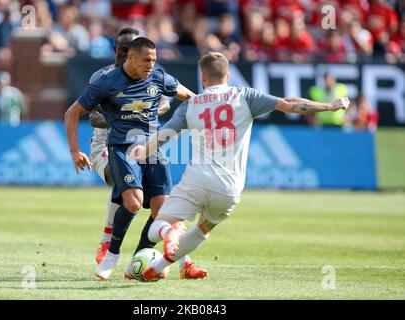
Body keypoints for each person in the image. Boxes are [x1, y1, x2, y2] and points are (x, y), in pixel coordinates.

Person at [129, 52, 350, 281]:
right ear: (228, 75)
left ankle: (169, 232)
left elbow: (165, 134)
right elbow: (290, 105)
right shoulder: (244, 95)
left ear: (203, 77)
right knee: (204, 228)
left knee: (158, 225)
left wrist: (142, 151)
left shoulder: (192, 103)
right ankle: (158, 267)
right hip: (230, 187)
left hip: (197, 179)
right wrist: (329, 106)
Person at [65, 37, 208, 280]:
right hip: (123, 149)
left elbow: (189, 95)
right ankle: (111, 254)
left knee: (161, 210)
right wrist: (74, 150)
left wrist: (208, 107)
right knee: (133, 202)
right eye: (146, 60)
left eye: (153, 60)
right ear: (130, 58)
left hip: (154, 149)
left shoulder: (158, 77)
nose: (150, 65)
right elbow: (72, 113)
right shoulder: (107, 82)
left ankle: (140, 260)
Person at [87, 28, 170, 265]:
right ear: (115, 50)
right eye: (123, 50)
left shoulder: (151, 75)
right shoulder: (102, 77)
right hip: (106, 143)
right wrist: (120, 115)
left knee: (158, 199)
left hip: (144, 142)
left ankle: (150, 256)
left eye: (131, 50)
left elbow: (164, 104)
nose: (126, 56)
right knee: (123, 179)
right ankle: (107, 241)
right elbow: (92, 116)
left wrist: (144, 110)